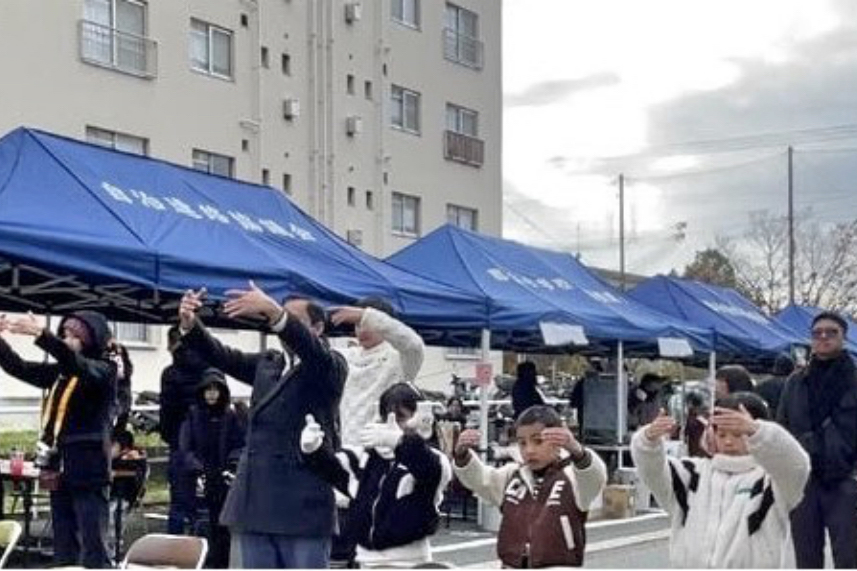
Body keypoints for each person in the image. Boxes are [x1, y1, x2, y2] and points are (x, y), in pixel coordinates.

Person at [178, 283, 347, 569]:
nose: (282, 326)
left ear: (318, 328)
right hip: (256, 499)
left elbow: (311, 350)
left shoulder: (329, 366)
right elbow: (223, 356)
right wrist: (191, 325)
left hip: (303, 503)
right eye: (279, 317)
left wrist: (276, 313)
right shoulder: (269, 364)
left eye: (294, 319)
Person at [631, 392, 809, 567]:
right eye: (722, 435)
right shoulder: (691, 474)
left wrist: (759, 431)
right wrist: (648, 441)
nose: (728, 442)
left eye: (738, 435)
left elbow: (797, 466)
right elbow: (653, 473)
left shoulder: (772, 480)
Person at [0, 310, 116, 568]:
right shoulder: (60, 373)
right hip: (57, 464)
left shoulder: (105, 369)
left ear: (91, 339)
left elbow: (78, 364)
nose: (67, 340)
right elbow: (19, 367)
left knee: (93, 542)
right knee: (63, 542)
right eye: (64, 334)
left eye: (74, 336)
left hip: (88, 468)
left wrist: (42, 335)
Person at [301, 383, 451, 568]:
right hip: (365, 560)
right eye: (387, 417)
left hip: (412, 562)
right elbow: (335, 470)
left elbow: (428, 469)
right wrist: (314, 449)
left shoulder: (435, 459)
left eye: (402, 417)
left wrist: (400, 442)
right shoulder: (366, 458)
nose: (393, 424)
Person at [453, 405, 607, 568]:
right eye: (522, 443)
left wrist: (577, 450)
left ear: (558, 442)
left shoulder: (573, 477)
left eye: (538, 441)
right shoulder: (512, 475)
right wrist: (462, 454)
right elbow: (480, 480)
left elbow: (595, 477)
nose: (529, 450)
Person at [777, 311, 857, 568]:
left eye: (831, 332)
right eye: (817, 333)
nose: (823, 337)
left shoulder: (853, 379)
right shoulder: (796, 382)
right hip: (804, 481)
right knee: (806, 557)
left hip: (846, 480)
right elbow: (783, 427)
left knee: (849, 556)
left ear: (844, 337)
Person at [332, 297, 425, 448]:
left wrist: (366, 316)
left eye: (367, 324)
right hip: (349, 451)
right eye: (358, 324)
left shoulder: (398, 359)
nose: (362, 330)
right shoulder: (344, 357)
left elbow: (414, 345)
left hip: (386, 450)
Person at [179, 368, 246, 568]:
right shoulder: (193, 415)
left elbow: (239, 444)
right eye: (208, 389)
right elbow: (185, 447)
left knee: (223, 527)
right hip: (199, 478)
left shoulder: (230, 416)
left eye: (215, 389)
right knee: (200, 523)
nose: (211, 394)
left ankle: (221, 563)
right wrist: (196, 469)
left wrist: (232, 466)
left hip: (223, 478)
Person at [160, 325, 209, 535]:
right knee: (208, 500)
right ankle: (207, 544)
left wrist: (169, 436)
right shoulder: (209, 367)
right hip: (208, 439)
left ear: (174, 344)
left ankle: (175, 546)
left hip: (179, 440)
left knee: (178, 502)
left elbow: (167, 410)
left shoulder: (171, 373)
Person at [107, 339, 134, 434]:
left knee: (121, 423)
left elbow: (123, 375)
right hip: (111, 397)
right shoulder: (108, 361)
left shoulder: (126, 364)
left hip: (123, 397)